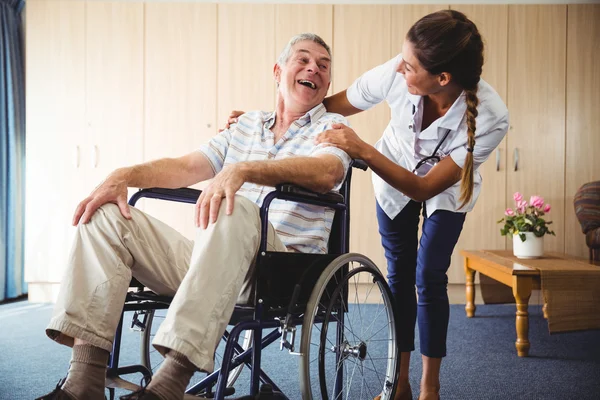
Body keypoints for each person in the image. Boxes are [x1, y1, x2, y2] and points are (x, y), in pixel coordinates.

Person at [36, 33, 351, 400]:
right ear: (278, 71)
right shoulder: (245, 125)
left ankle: (169, 385)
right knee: (106, 214)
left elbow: (327, 172)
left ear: (327, 83)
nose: (313, 68)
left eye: (323, 66)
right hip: (210, 260)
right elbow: (186, 166)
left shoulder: (333, 128)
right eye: (303, 59)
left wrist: (247, 171)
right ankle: (82, 383)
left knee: (235, 205)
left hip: (278, 272)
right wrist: (122, 176)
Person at [222, 9, 508, 400]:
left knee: (430, 277)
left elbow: (425, 188)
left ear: (442, 78)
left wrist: (363, 151)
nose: (399, 69)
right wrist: (264, 119)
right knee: (400, 276)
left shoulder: (492, 116)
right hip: (392, 180)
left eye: (409, 66)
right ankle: (400, 383)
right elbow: (323, 105)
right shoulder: (396, 71)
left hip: (441, 189)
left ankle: (430, 387)